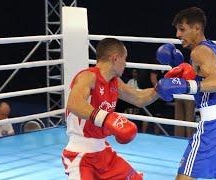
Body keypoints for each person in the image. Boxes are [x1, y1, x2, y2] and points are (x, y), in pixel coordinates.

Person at [155, 7, 216, 180]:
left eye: (182, 29)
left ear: (196, 28)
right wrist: (184, 70)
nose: (178, 35)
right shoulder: (213, 46)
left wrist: (187, 85)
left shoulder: (198, 51)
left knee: (185, 176)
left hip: (214, 124)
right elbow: (207, 75)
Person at [62, 38, 158, 180]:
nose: (125, 64)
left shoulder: (114, 82)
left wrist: (162, 88)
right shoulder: (88, 76)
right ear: (115, 58)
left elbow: (139, 98)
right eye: (124, 59)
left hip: (103, 153)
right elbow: (74, 103)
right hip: (81, 156)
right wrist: (106, 118)